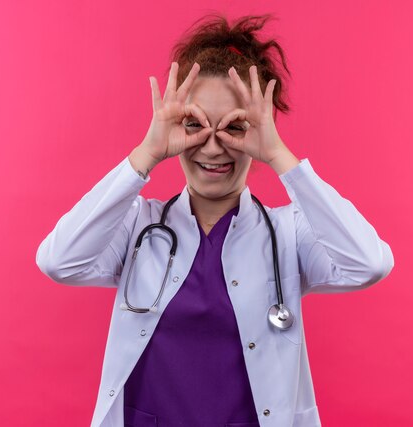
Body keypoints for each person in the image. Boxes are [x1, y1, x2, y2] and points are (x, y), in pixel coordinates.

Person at [36, 13, 394, 427]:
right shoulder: (139, 228)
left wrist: (281, 157)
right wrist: (146, 154)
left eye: (235, 127)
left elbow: (369, 264)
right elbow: (58, 261)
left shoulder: (287, 234)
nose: (212, 146)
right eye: (194, 125)